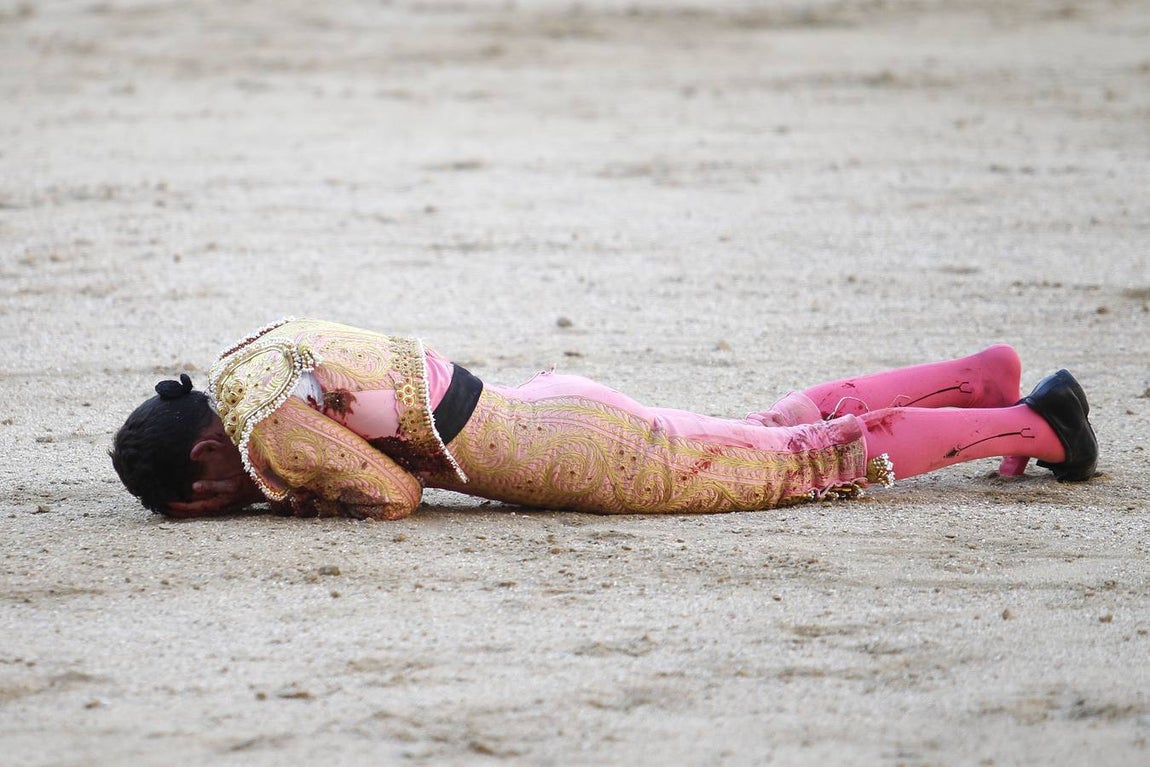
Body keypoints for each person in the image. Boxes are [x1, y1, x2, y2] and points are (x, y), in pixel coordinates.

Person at [110, 317, 1098, 520]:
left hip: (570, 455)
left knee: (804, 461)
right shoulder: (254, 350)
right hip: (546, 409)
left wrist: (287, 499)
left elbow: (393, 494)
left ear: (205, 456)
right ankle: (973, 379)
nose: (225, 494)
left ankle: (1038, 421)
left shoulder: (261, 429)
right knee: (763, 432)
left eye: (205, 493)